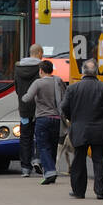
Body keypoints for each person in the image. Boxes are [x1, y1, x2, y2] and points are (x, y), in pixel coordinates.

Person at [60, 58, 103, 200]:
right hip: (100, 130)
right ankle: (100, 191)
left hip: (79, 129)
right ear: (97, 72)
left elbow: (63, 107)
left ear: (83, 72)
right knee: (99, 161)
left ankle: (79, 191)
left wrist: (73, 118)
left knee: (79, 160)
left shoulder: (72, 88)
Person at [21, 59, 65, 185]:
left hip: (42, 119)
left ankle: (50, 171)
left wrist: (24, 97)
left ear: (41, 70)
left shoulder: (38, 83)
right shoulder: (58, 81)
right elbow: (65, 96)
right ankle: (51, 170)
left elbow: (27, 98)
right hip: (56, 119)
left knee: (43, 146)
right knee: (53, 146)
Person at [13, 44, 45, 177]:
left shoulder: (18, 67)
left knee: (25, 137)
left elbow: (16, 88)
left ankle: (25, 168)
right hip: (39, 108)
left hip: (24, 108)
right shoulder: (42, 67)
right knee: (40, 136)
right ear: (38, 53)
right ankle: (37, 159)